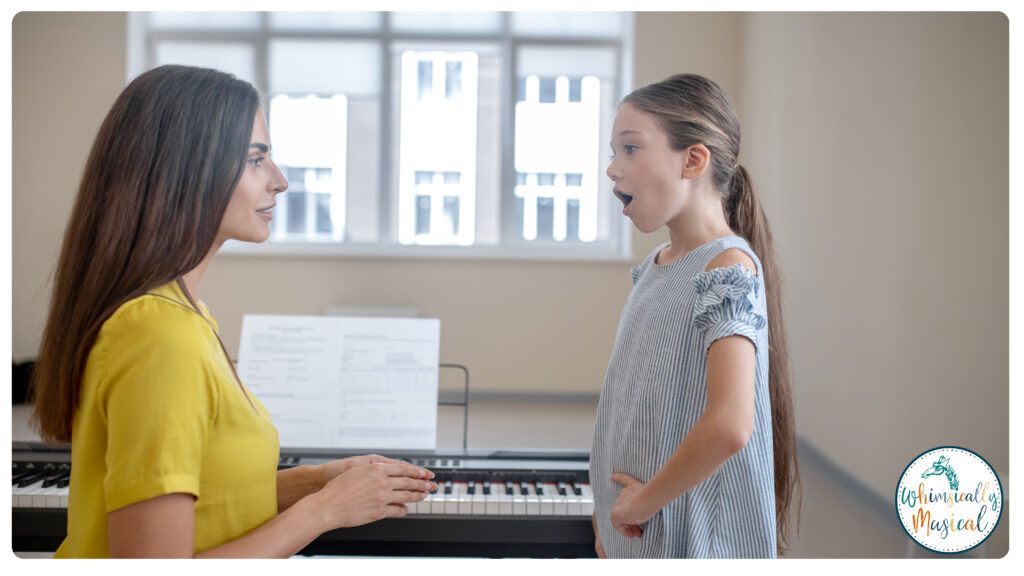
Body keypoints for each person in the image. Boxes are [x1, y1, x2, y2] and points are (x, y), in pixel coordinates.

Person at [30, 65, 436, 558]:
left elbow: (212, 498)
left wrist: (315, 482)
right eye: (255, 161)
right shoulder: (161, 335)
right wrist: (323, 512)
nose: (280, 182)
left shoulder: (182, 314)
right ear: (186, 169)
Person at [589, 74, 800, 558]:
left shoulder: (727, 267)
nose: (612, 169)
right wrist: (608, 510)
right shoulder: (654, 268)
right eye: (612, 151)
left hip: (694, 539)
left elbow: (730, 424)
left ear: (693, 160)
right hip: (641, 530)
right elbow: (628, 403)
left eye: (630, 149)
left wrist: (639, 504)